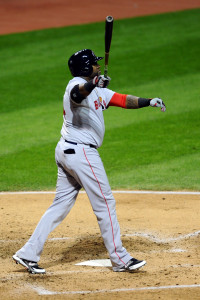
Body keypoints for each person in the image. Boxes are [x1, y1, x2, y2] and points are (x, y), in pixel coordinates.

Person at [12, 49, 166, 274]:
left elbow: (122, 100)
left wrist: (149, 101)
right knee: (105, 203)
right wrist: (94, 85)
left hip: (67, 151)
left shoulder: (97, 89)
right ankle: (120, 258)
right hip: (82, 154)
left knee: (60, 205)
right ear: (86, 69)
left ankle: (27, 253)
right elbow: (78, 95)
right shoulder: (75, 85)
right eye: (94, 64)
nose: (97, 66)